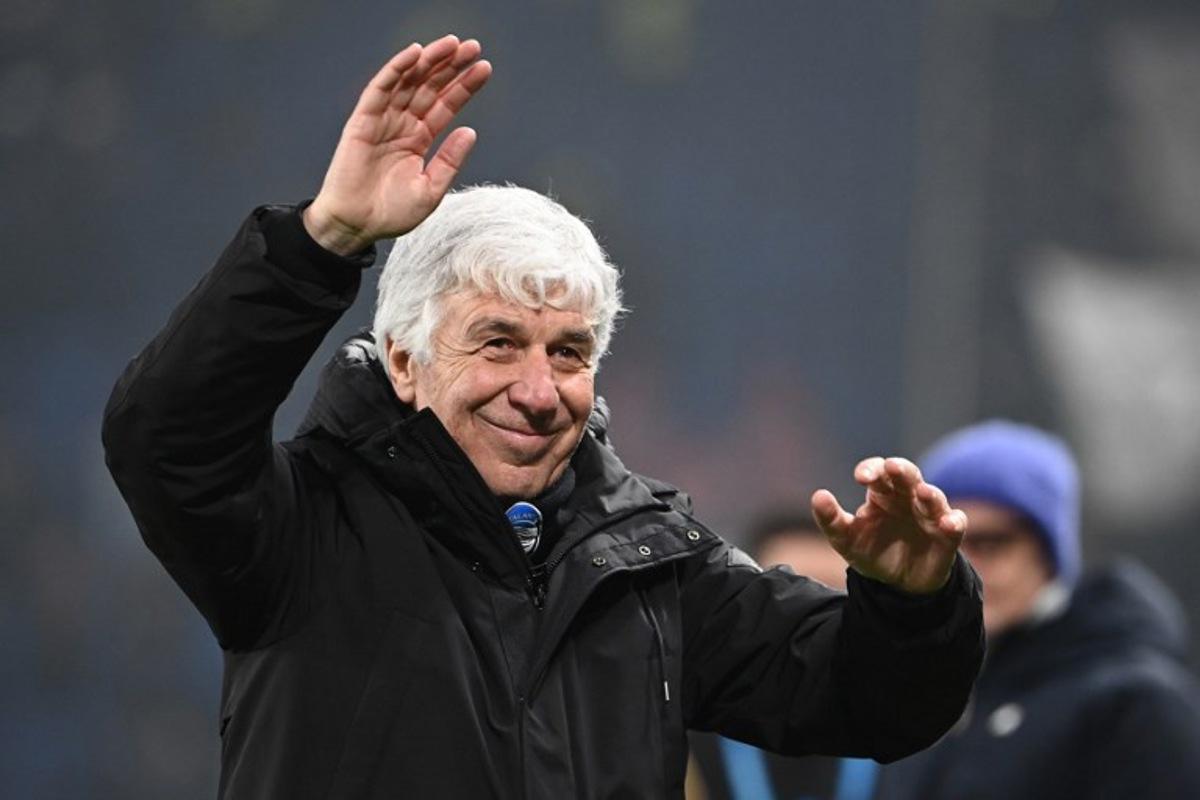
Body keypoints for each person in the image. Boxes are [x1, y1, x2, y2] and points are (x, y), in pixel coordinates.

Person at [102, 36, 984, 798]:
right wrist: (325, 236)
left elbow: (871, 701)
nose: (537, 387)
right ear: (404, 363)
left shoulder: (651, 563)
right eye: (496, 343)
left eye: (567, 353)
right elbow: (168, 437)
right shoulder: (302, 530)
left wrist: (911, 604)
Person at [876, 420, 1200, 800]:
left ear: (1049, 552)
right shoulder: (920, 696)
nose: (964, 565)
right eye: (942, 542)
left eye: (991, 542)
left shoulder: (1135, 703)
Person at [687, 512, 880, 800]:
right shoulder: (686, 735)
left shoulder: (909, 737)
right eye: (795, 596)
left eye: (838, 597)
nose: (819, 624)